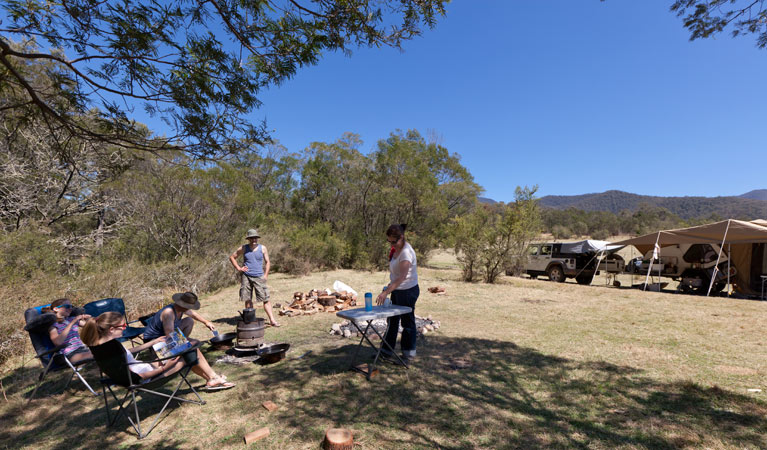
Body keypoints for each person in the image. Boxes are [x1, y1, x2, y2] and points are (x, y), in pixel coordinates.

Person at [81, 312, 234, 389]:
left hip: (146, 368)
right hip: (149, 377)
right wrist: (165, 367)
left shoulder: (102, 345)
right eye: (123, 327)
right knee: (190, 348)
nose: (125, 329)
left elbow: (128, 354)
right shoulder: (111, 348)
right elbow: (135, 378)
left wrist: (152, 343)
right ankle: (213, 378)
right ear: (112, 329)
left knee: (185, 344)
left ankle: (211, 379)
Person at [376, 224, 420, 364]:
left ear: (402, 237)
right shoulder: (396, 249)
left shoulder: (406, 253)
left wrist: (385, 292)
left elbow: (402, 277)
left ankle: (408, 356)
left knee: (407, 322)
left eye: (394, 242)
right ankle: (386, 351)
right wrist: (390, 287)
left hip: (408, 291)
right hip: (397, 289)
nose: (391, 244)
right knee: (392, 321)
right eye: (389, 241)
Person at [228, 228, 280, 327]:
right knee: (248, 298)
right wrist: (239, 268)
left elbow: (268, 262)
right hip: (246, 276)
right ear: (248, 239)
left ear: (257, 238)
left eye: (255, 238)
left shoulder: (263, 248)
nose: (254, 240)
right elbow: (232, 257)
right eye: (252, 238)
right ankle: (250, 321)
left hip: (259, 276)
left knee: (266, 298)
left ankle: (272, 320)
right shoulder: (244, 248)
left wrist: (266, 275)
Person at [142, 292, 217, 342]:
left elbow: (193, 314)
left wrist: (206, 322)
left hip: (165, 335)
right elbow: (169, 335)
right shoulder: (169, 313)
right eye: (188, 306)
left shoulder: (181, 309)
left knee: (189, 320)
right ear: (182, 305)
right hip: (154, 339)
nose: (189, 308)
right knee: (194, 343)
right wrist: (187, 343)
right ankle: (181, 344)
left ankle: (183, 341)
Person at [45, 298, 92, 363]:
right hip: (68, 354)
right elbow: (58, 342)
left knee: (104, 349)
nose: (70, 309)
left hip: (82, 349)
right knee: (98, 354)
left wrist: (89, 319)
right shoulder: (53, 325)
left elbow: (92, 326)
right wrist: (72, 322)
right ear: (56, 309)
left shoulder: (71, 319)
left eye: (71, 306)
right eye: (67, 306)